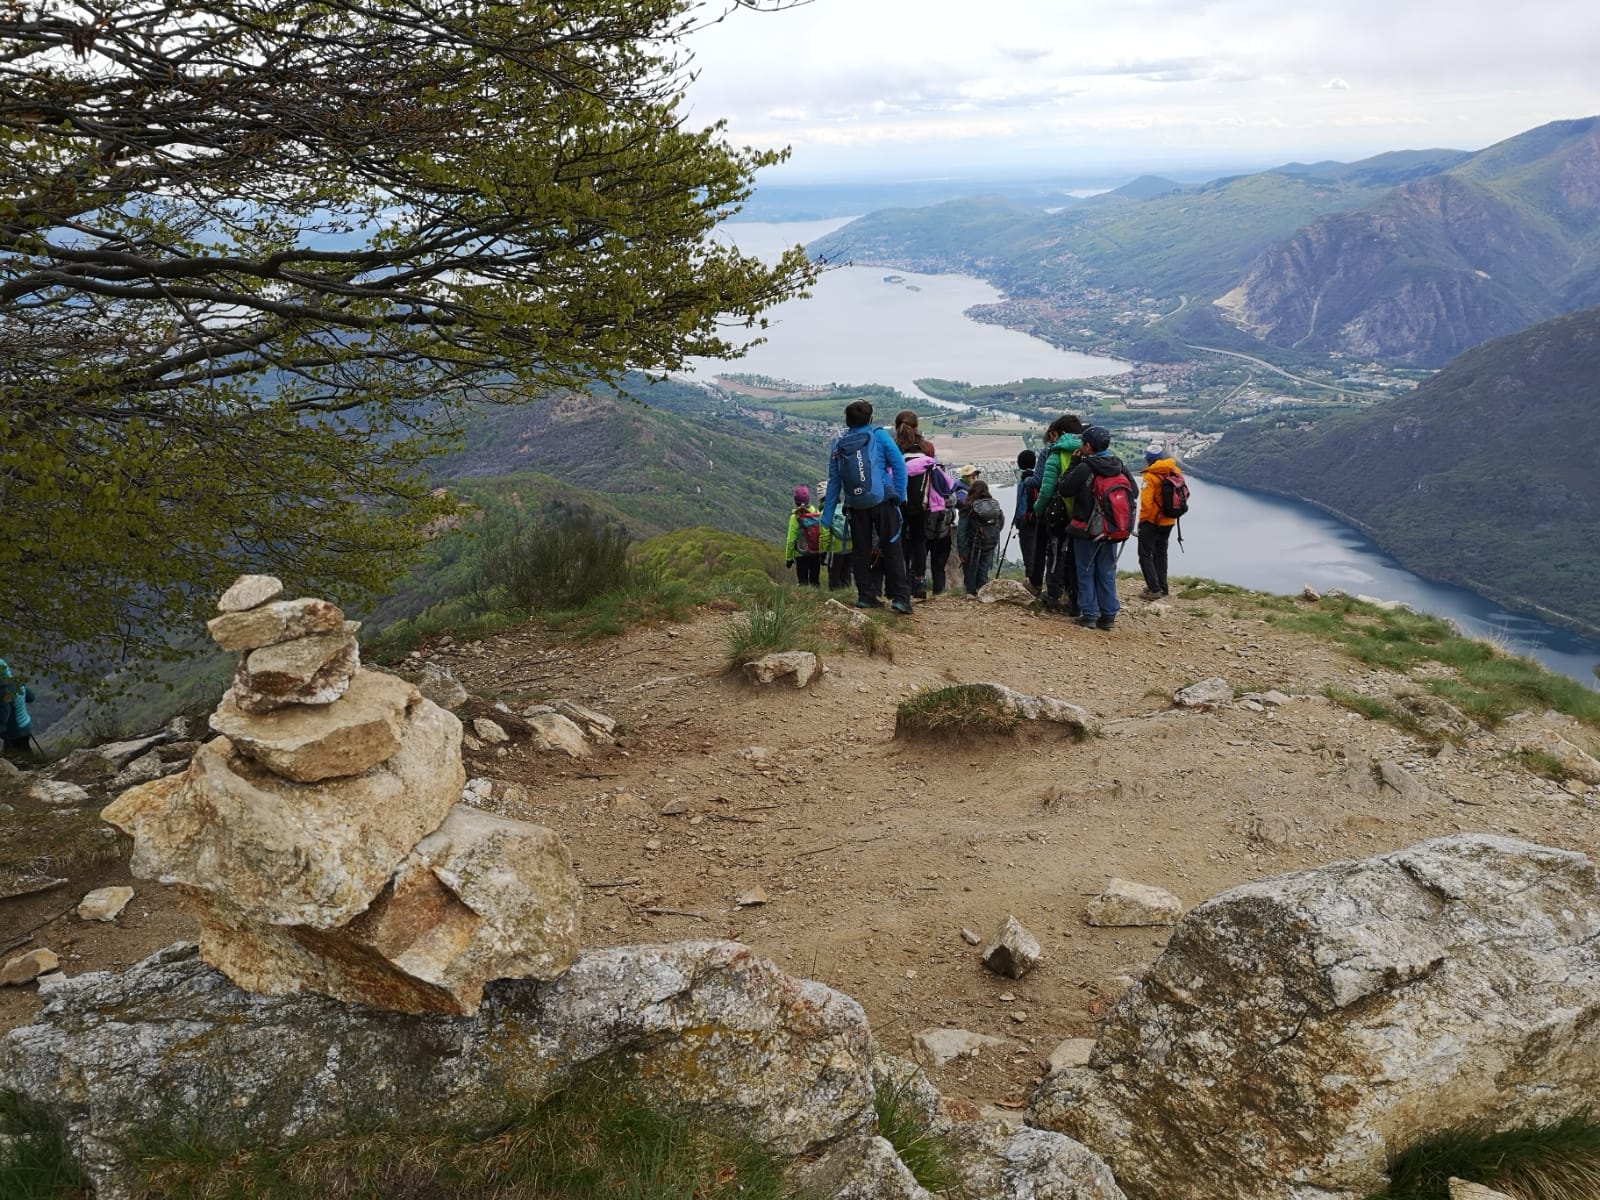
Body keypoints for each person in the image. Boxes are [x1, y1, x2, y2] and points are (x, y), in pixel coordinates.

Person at [822, 399, 912, 615]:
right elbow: (899, 466)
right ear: (870, 418)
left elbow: (834, 481)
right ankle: (900, 598)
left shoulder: (839, 444)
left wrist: (826, 516)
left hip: (856, 504)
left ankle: (865, 596)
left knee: (861, 551)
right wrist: (899, 495)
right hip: (882, 501)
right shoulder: (879, 436)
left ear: (847, 421)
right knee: (892, 548)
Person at [1057, 425, 1139, 631]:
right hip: (1112, 528)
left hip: (1087, 529)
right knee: (1106, 571)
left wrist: (1074, 463)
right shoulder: (1118, 464)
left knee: (1085, 570)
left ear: (1088, 446)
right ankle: (1108, 615)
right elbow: (1134, 492)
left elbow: (1064, 488)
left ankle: (1090, 615)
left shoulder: (1086, 467)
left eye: (1083, 443)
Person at [1031, 415, 1085, 616]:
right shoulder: (1089, 449)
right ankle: (1076, 598)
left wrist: (1038, 509)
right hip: (1084, 514)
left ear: (1058, 433)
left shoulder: (1056, 453)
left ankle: (1054, 595)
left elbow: (1045, 489)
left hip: (1059, 512)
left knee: (1055, 552)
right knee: (1077, 556)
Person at [1138, 442, 1183, 600]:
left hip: (1152, 521)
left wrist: (1142, 522)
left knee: (1144, 554)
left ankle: (1154, 589)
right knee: (1161, 553)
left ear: (1148, 459)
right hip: (1169, 520)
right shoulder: (1174, 470)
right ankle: (1163, 587)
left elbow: (1146, 503)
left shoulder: (1149, 476)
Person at [957, 479, 1005, 595]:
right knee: (984, 569)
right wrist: (991, 535)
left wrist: (962, 551)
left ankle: (971, 594)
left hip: (972, 545)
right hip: (990, 543)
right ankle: (983, 593)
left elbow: (961, 531)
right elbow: (1001, 522)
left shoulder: (968, 507)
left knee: (970, 570)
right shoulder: (994, 504)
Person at [817, 478, 854, 592]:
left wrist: (822, 552)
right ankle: (848, 596)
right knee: (846, 574)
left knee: (834, 576)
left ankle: (836, 599)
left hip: (836, 549)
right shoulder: (845, 508)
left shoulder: (826, 513)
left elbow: (824, 536)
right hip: (850, 548)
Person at [1012, 448, 1041, 591]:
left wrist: (1018, 522)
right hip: (1040, 520)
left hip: (1027, 523)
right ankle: (1039, 581)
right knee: (1039, 551)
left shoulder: (1023, 482)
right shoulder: (1038, 478)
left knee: (1028, 553)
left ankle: (1032, 584)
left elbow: (1021, 505)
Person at [785, 485, 823, 587]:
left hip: (801, 554)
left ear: (795, 501)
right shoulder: (817, 513)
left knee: (803, 582)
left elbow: (791, 540)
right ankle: (818, 600)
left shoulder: (795, 517)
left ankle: (805, 601)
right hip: (816, 552)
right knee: (815, 581)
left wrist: (789, 558)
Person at [0, 659, 34, 756]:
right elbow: (31, 697)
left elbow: (3, 716)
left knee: (14, 757)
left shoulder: (4, 691)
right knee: (25, 751)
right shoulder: (16, 683)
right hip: (25, 725)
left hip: (14, 731)